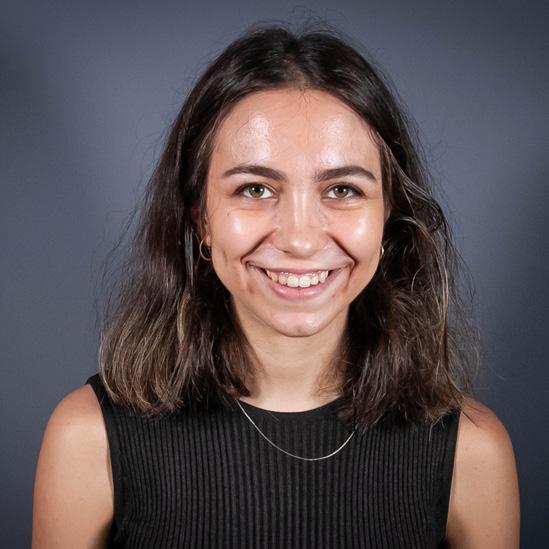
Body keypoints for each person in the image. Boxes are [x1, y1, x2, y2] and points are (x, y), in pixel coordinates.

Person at [32, 23, 520, 548]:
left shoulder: (472, 453)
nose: (300, 239)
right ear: (200, 218)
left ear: (387, 217)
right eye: (255, 189)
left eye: (343, 189)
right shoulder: (88, 439)